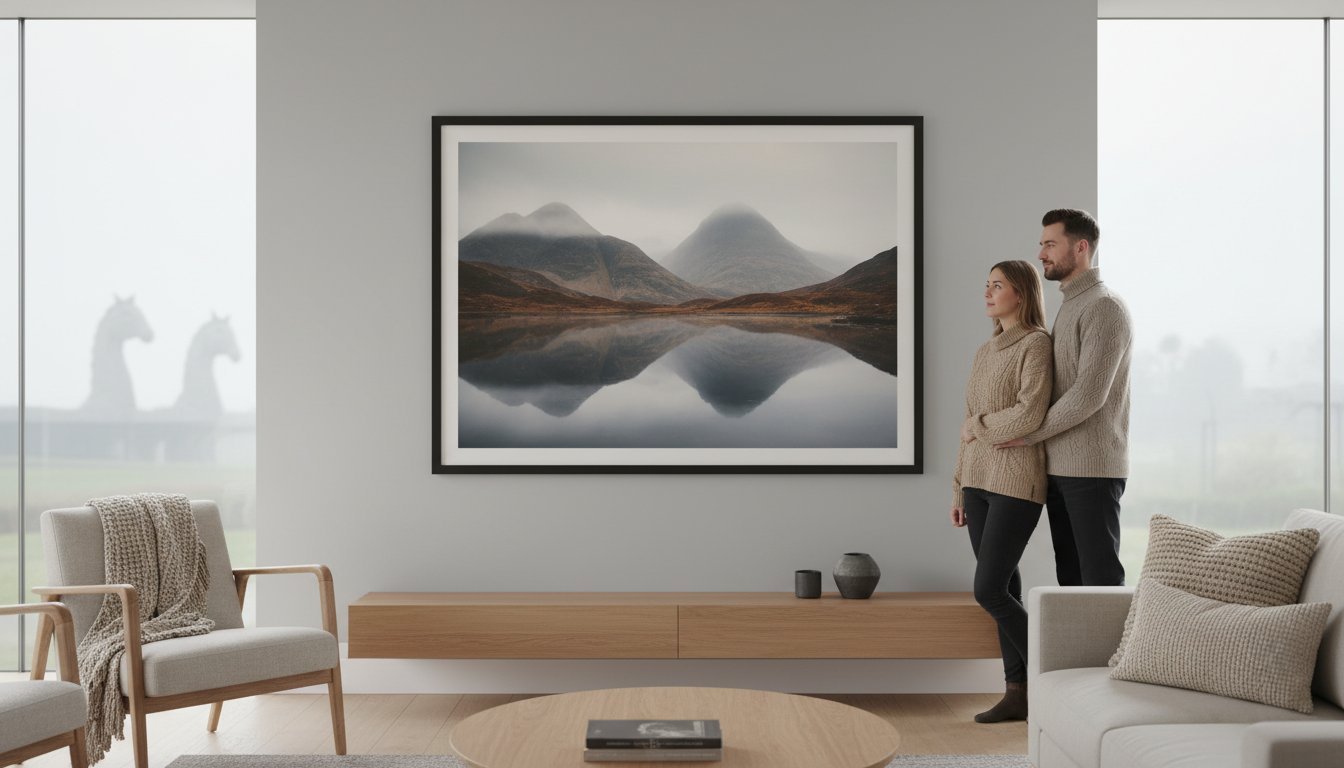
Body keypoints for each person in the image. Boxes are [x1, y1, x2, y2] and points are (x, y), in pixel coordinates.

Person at [996, 209, 1132, 588]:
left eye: (1051, 244)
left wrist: (1027, 433)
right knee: (1071, 583)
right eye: (1042, 245)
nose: (1041, 254)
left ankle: (1113, 652)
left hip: (1092, 468)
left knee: (1100, 582)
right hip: (1062, 467)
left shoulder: (1104, 307)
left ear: (1081, 247)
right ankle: (1080, 651)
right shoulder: (1072, 304)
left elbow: (1088, 395)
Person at [951, 260, 1053, 724]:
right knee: (1006, 584)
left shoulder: (1036, 344)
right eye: (986, 285)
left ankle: (1058, 674)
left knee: (988, 590)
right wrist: (958, 488)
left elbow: (1029, 413)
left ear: (1022, 293)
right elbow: (965, 427)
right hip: (978, 483)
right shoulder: (984, 350)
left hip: (1016, 482)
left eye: (997, 285)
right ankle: (1018, 694)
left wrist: (982, 427)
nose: (988, 293)